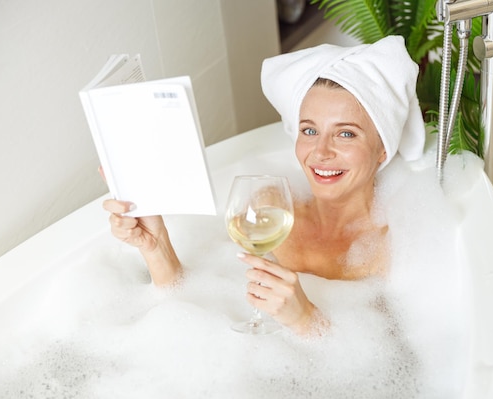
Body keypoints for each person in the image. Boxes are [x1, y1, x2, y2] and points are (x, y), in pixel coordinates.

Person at [102, 36, 426, 335]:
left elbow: (393, 371)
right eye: (310, 131)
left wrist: (305, 319)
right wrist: (155, 244)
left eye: (346, 133)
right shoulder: (270, 207)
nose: (321, 152)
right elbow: (194, 311)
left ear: (383, 147)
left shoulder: (396, 248)